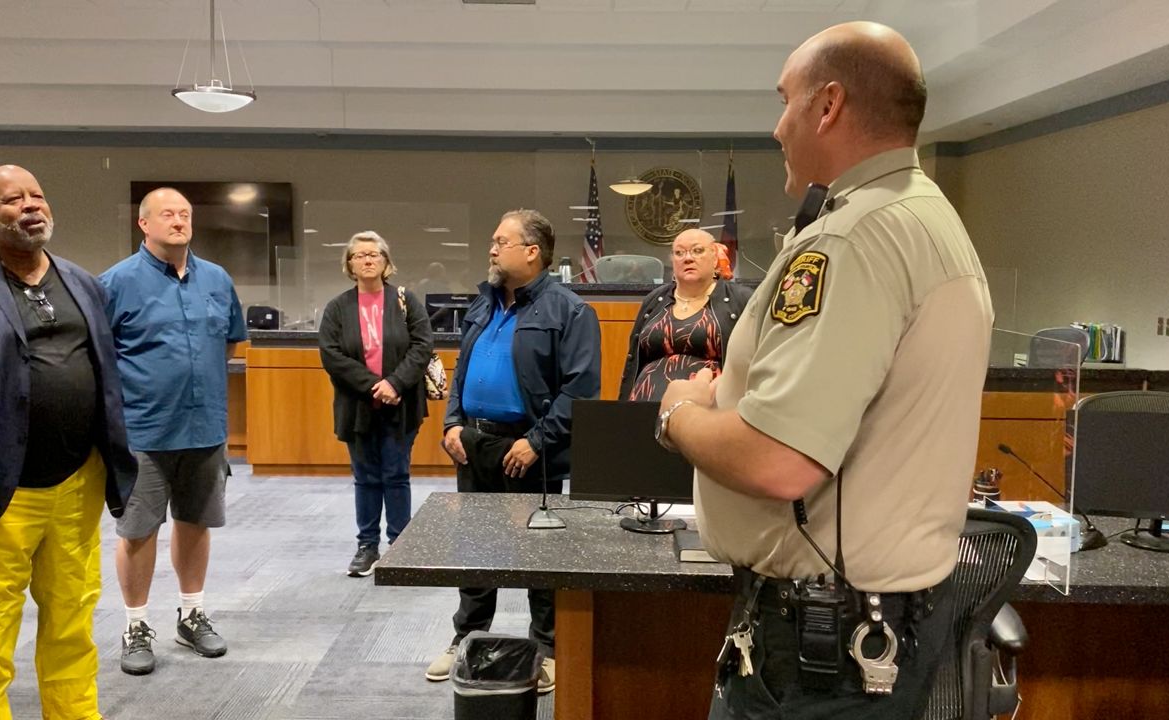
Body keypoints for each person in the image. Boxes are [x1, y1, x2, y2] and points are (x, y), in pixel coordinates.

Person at [655, 22, 993, 719]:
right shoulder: (925, 217)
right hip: (865, 625)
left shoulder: (852, 238)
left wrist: (679, 410)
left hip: (818, 643)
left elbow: (780, 462)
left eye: (785, 101)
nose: (778, 127)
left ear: (828, 105)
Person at [0, 165, 137, 719]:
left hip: (78, 480)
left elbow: (107, 372)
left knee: (73, 619)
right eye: (12, 199)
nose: (29, 205)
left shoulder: (83, 283)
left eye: (37, 195)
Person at [424, 209, 601, 694]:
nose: (492, 248)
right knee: (475, 549)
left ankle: (546, 648)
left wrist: (536, 441)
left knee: (539, 555)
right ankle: (468, 636)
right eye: (492, 240)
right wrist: (454, 422)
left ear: (532, 252)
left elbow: (580, 390)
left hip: (529, 447)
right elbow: (461, 369)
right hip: (475, 445)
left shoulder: (570, 311)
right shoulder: (482, 305)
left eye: (501, 241)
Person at [100, 187, 248, 676]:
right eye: (167, 214)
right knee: (139, 529)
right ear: (144, 224)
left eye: (185, 213)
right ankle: (136, 625)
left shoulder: (217, 279)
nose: (179, 221)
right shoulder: (116, 283)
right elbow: (100, 359)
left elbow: (228, 343)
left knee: (195, 522)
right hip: (143, 431)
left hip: (205, 429)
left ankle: (191, 613)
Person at [318, 231, 433, 577]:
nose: (367, 260)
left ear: (386, 262)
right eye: (359, 255)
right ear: (349, 265)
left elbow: (422, 344)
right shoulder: (338, 307)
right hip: (359, 406)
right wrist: (374, 386)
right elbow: (331, 354)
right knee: (366, 477)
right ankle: (367, 546)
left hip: (401, 404)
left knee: (396, 474)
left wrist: (395, 383)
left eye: (374, 254)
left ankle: (400, 546)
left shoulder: (405, 300)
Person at [618, 229, 752, 401]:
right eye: (679, 253)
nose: (687, 258)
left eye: (697, 251)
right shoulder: (654, 300)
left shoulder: (740, 299)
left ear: (715, 257)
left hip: (710, 412)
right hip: (643, 410)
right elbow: (633, 362)